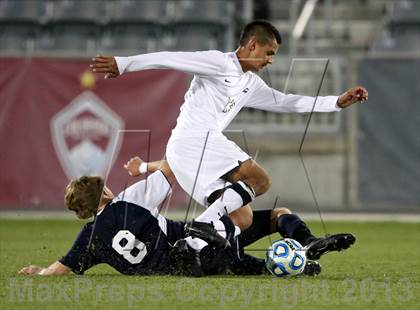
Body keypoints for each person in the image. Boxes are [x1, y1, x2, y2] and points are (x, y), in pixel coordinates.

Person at [90, 20, 368, 248]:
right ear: (252, 45)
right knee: (259, 179)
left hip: (188, 156)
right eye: (269, 53)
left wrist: (335, 102)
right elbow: (170, 58)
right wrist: (124, 63)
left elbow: (287, 102)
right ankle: (203, 225)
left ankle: (193, 247)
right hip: (194, 141)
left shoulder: (250, 84)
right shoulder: (219, 63)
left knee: (241, 216)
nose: (270, 60)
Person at [19, 157, 355, 277]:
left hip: (184, 262)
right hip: (189, 242)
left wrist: (39, 271)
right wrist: (143, 168)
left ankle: (297, 257)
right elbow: (171, 165)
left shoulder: (89, 239)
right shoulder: (128, 201)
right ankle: (303, 245)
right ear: (104, 193)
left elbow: (61, 269)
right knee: (247, 217)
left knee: (234, 249)